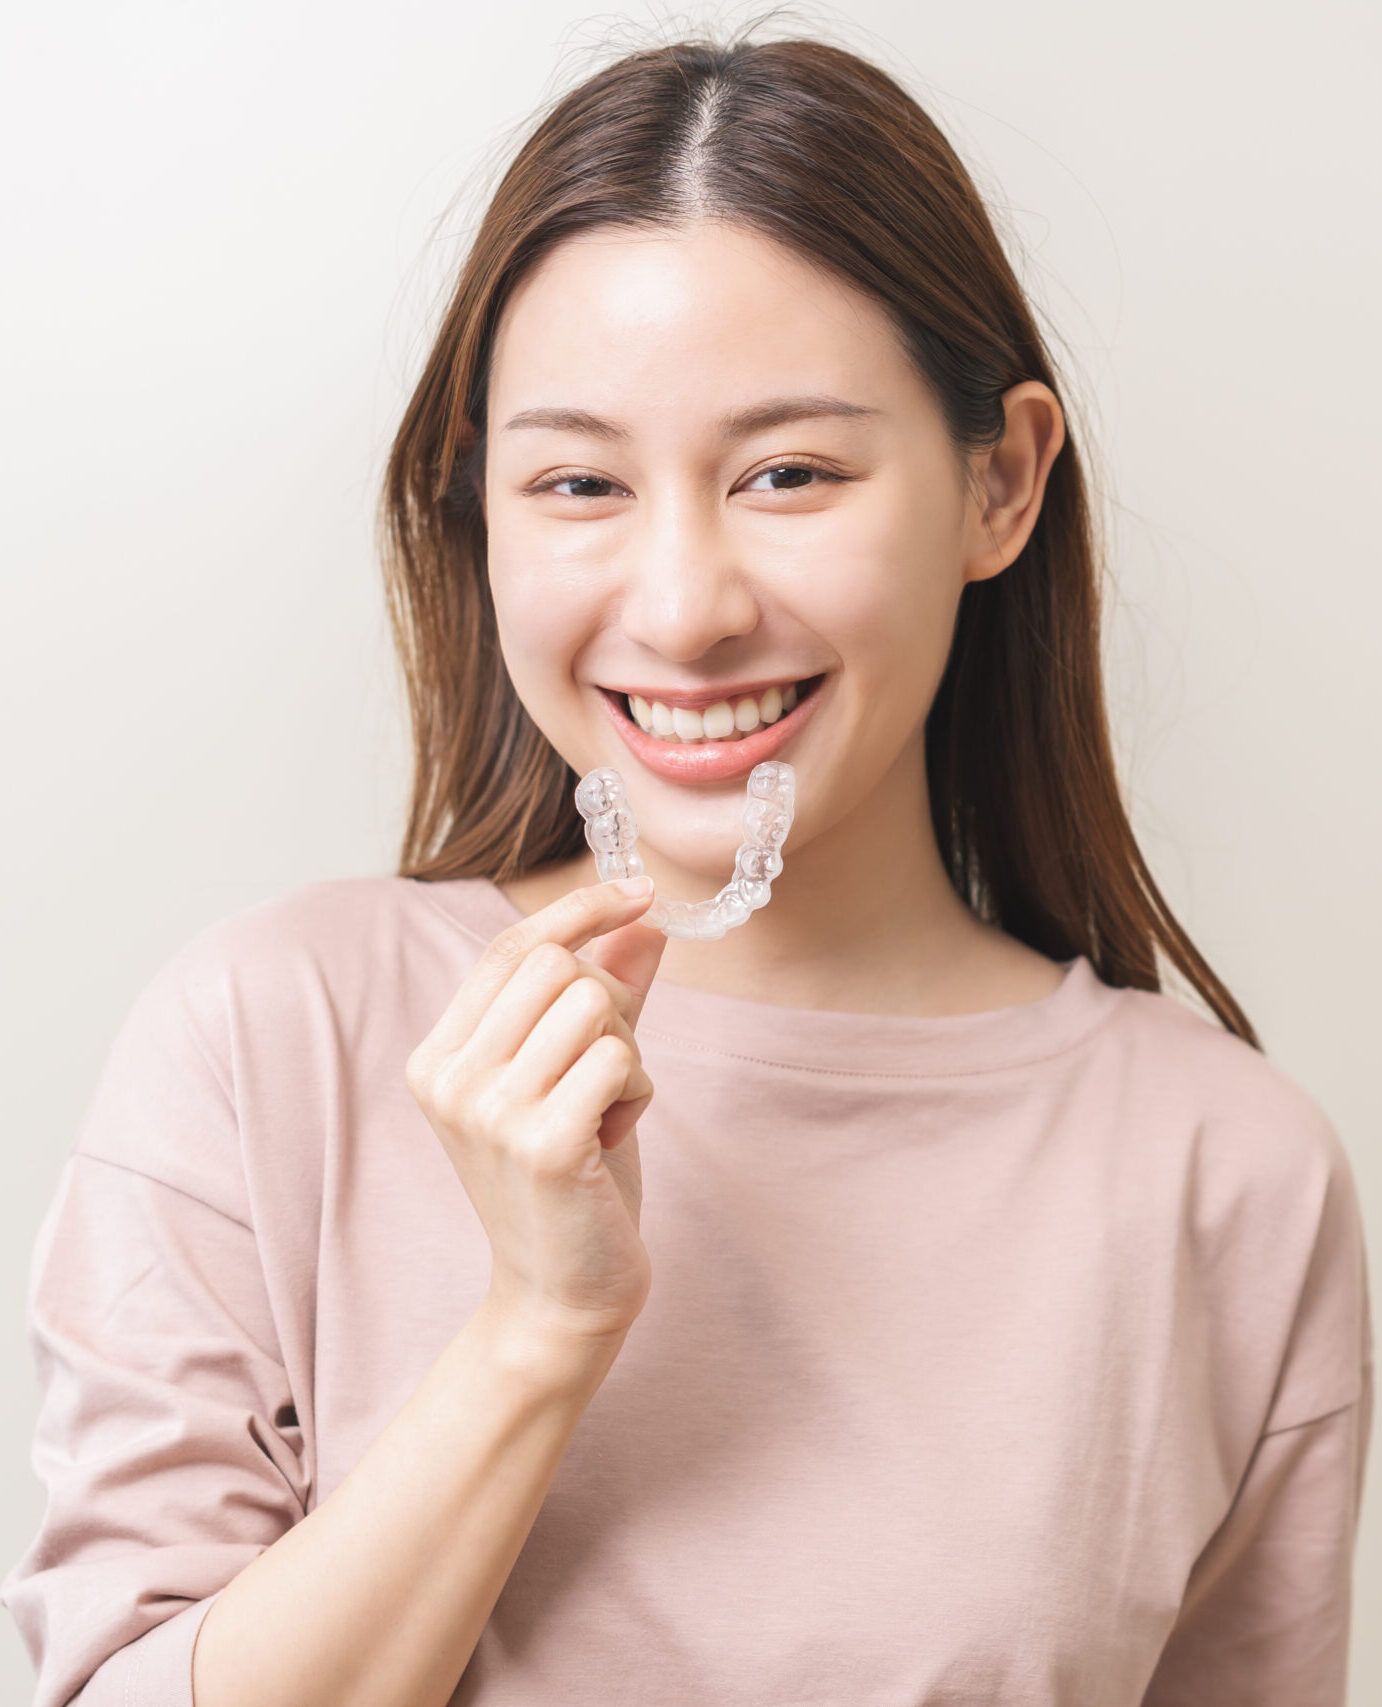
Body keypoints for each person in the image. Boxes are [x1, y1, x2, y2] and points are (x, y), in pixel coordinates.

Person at [3, 30, 1373, 1707]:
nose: (682, 607)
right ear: (482, 509)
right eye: (578, 482)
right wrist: (533, 1335)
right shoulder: (267, 1039)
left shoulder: (1227, 1178)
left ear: (999, 484)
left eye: (788, 474)